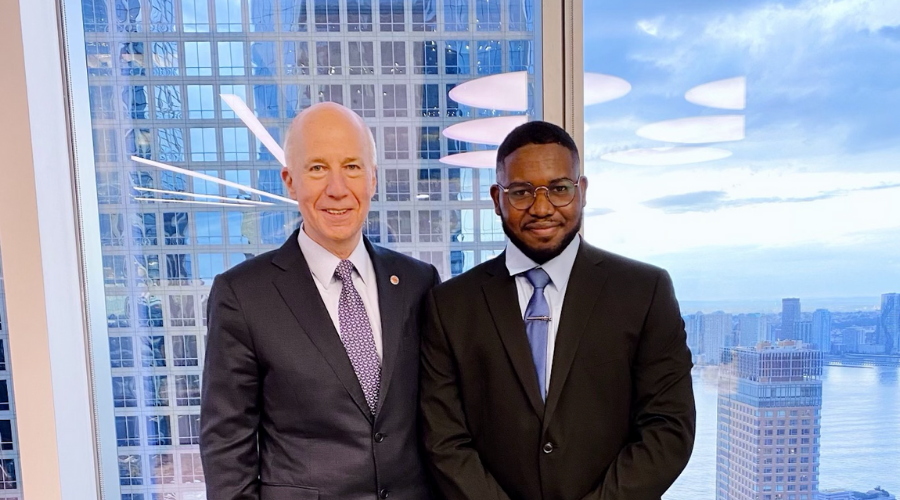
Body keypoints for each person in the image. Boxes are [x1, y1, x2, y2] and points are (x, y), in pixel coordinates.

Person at [420, 121, 696, 500]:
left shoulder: (645, 291)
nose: (542, 207)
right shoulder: (449, 305)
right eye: (521, 192)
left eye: (559, 189)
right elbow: (444, 440)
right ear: (496, 198)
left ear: (581, 192)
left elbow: (668, 429)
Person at [201, 102, 439, 500]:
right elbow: (227, 448)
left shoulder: (418, 282)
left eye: (352, 166)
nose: (337, 188)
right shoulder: (242, 296)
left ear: (373, 179)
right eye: (317, 168)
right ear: (289, 181)